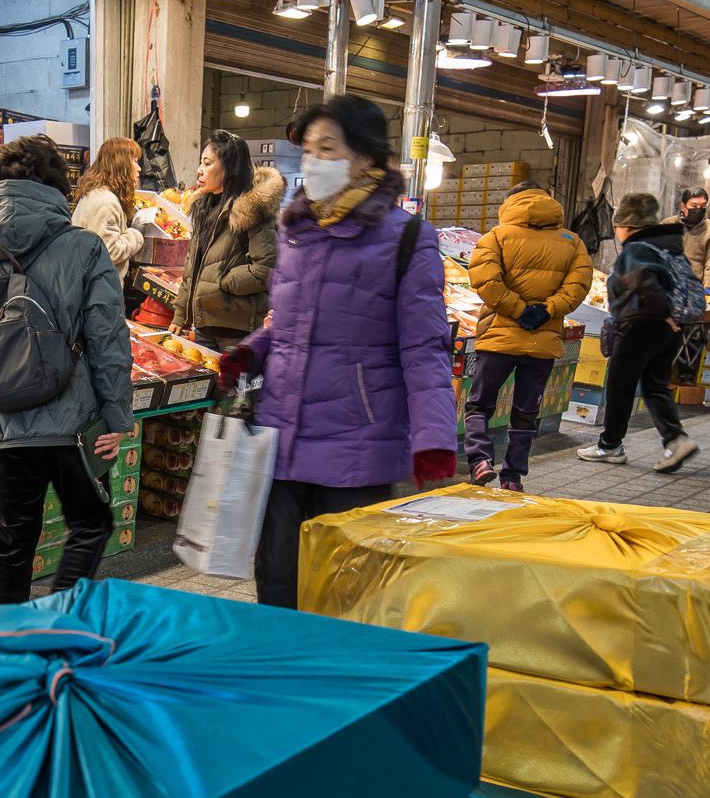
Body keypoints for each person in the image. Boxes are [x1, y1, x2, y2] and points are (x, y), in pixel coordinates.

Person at [215, 94, 454, 608]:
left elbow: (425, 347)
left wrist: (434, 437)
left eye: (328, 148)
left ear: (365, 157)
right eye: (308, 149)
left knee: (345, 587)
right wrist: (253, 349)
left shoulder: (408, 237)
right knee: (276, 576)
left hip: (357, 440)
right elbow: (291, 324)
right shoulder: (296, 230)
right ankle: (280, 660)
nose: (312, 161)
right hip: (283, 433)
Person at [0, 135, 135, 606]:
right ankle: (60, 620)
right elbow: (108, 340)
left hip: (3, 424)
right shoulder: (85, 248)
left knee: (15, 537)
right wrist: (117, 418)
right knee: (91, 524)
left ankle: (9, 638)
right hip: (71, 424)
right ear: (58, 186)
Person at [464, 182, 593, 490]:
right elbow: (578, 287)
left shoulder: (496, 237)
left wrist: (518, 309)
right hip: (542, 342)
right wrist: (545, 311)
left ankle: (480, 461)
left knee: (480, 404)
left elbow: (485, 281)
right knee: (526, 412)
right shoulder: (573, 242)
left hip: (499, 338)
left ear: (511, 203)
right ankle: (512, 478)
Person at [576, 193, 698, 472]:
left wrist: (662, 312)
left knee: (620, 386)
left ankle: (610, 445)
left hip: (639, 326)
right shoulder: (668, 248)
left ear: (628, 225)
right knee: (655, 385)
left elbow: (644, 282)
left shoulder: (636, 250)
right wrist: (669, 317)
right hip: (669, 329)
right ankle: (676, 439)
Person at [172, 129, 284, 349]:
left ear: (229, 168)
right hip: (203, 325)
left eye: (207, 164)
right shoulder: (204, 208)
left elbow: (267, 268)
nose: (199, 170)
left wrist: (223, 282)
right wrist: (180, 314)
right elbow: (192, 266)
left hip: (236, 328)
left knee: (231, 373)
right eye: (201, 163)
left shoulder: (253, 210)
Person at [70, 135, 148, 283]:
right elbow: (110, 252)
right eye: (135, 161)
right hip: (98, 291)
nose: (139, 169)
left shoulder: (99, 194)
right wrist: (136, 234)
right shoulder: (105, 202)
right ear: (121, 164)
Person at [667, 188, 710, 288]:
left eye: (702, 206)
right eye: (694, 206)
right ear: (683, 206)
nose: (698, 209)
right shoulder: (667, 225)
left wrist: (709, 287)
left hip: (694, 287)